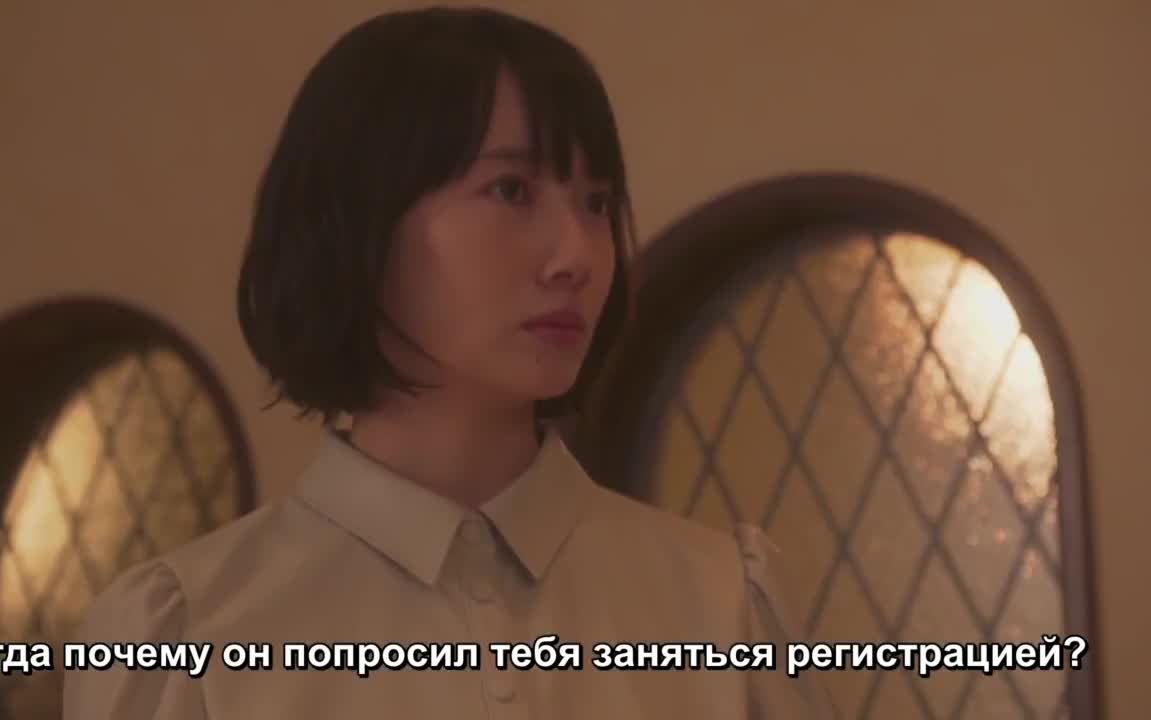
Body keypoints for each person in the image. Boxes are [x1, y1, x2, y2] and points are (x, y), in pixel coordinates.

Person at [64, 6, 832, 719]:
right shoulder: (189, 635)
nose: (577, 254)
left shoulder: (723, 606)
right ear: (359, 222)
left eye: (596, 203)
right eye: (511, 190)